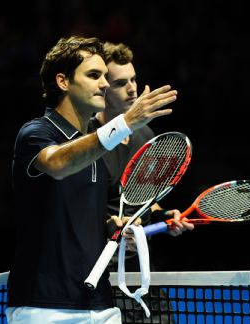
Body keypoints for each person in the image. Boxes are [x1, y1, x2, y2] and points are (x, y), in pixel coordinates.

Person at [6, 36, 178, 324]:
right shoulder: (36, 133)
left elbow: (80, 217)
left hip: (100, 304)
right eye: (94, 75)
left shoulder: (96, 151)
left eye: (104, 76)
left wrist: (112, 226)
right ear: (63, 81)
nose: (105, 84)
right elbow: (58, 164)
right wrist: (124, 123)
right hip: (45, 307)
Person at [88, 41, 194, 322]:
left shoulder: (145, 136)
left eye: (134, 79)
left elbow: (146, 200)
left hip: (142, 272)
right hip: (100, 275)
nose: (133, 89)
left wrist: (163, 215)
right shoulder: (88, 139)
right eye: (121, 83)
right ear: (103, 88)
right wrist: (109, 226)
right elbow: (75, 208)